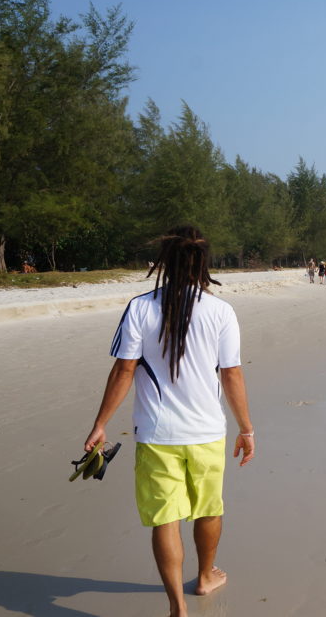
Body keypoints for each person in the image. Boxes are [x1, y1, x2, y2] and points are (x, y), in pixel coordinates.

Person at [82, 225, 255, 617]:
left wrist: (100, 423)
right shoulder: (221, 311)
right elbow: (231, 375)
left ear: (164, 262)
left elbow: (124, 370)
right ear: (203, 264)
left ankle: (178, 607)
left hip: (157, 434)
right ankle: (205, 575)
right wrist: (246, 428)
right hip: (207, 432)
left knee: (166, 518)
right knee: (209, 508)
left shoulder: (141, 307)